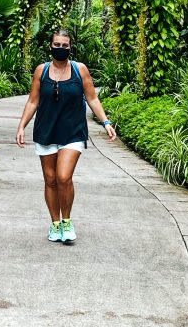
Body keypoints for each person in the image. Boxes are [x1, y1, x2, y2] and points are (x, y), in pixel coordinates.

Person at [15, 28, 117, 244]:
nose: (60, 49)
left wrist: (106, 122)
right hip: (46, 130)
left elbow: (92, 98)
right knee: (50, 180)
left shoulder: (80, 70)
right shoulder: (41, 71)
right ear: (50, 46)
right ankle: (55, 225)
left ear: (71, 47)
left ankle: (67, 222)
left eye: (64, 45)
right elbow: (33, 101)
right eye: (57, 45)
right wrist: (22, 126)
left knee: (63, 177)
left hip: (72, 131)